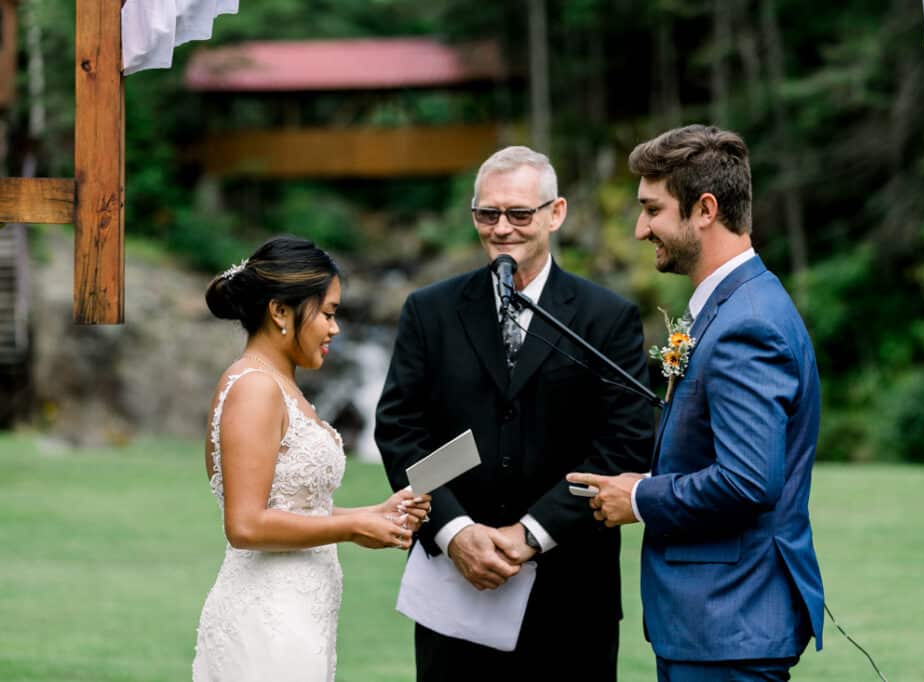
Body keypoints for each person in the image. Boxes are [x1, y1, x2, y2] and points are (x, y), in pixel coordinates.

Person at [375, 146, 654, 681]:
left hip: (572, 595)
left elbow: (625, 443)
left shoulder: (607, 317)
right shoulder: (429, 311)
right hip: (454, 593)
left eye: (520, 214)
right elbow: (400, 430)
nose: (502, 228)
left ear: (556, 213)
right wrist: (455, 531)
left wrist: (530, 534)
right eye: (488, 214)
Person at [568, 125, 825, 681]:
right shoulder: (732, 305)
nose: (640, 229)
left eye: (652, 210)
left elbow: (748, 480)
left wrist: (640, 498)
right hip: (713, 623)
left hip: (728, 620)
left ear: (705, 209)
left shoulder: (748, 325)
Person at [192, 235, 431, 682]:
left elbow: (290, 505)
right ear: (280, 311)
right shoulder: (255, 388)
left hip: (301, 614)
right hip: (268, 621)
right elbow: (245, 525)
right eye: (327, 313)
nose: (334, 329)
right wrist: (351, 528)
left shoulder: (279, 385)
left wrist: (370, 515)